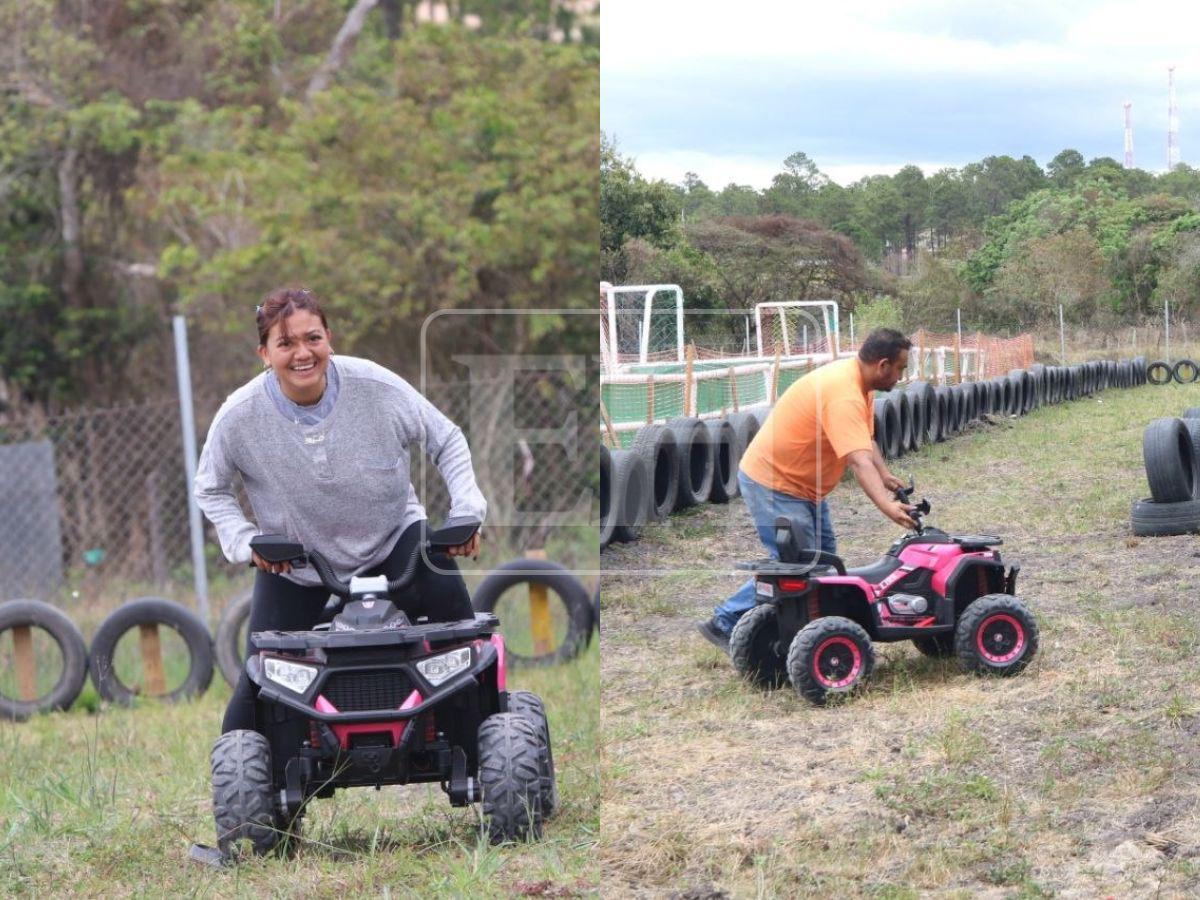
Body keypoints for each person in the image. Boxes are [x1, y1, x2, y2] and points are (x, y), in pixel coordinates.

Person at [195, 287, 487, 733]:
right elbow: (210, 489)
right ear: (264, 354)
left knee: (466, 648)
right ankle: (257, 780)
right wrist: (247, 542)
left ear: (329, 338)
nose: (302, 354)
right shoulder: (240, 415)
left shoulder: (376, 387)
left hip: (397, 546)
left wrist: (467, 512)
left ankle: (485, 749)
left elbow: (447, 439)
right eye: (285, 344)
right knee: (257, 690)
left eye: (312, 338)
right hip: (298, 564)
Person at [697, 328, 917, 651]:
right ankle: (726, 622)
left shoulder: (860, 385)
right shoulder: (843, 393)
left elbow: (864, 439)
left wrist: (884, 474)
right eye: (901, 368)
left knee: (823, 565)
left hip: (803, 487)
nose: (901, 376)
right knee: (798, 566)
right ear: (883, 365)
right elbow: (857, 462)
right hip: (774, 482)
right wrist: (887, 506)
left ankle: (814, 628)